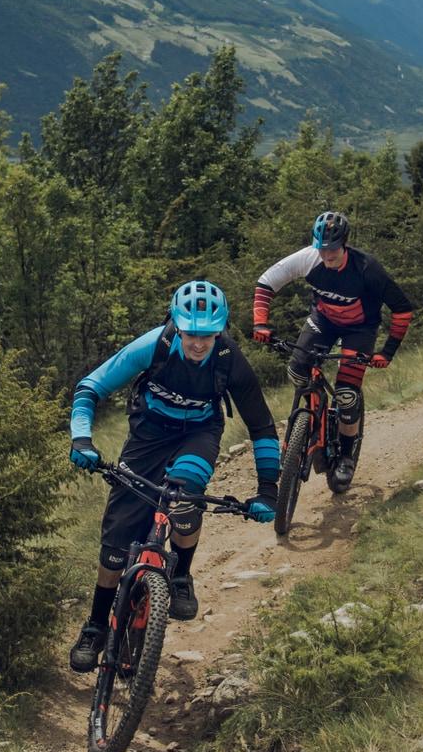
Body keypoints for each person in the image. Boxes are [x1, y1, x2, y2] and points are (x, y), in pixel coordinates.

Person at [66, 280, 279, 674]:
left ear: (221, 331)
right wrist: (82, 439)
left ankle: (180, 576)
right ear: (177, 326)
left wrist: (268, 490)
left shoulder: (230, 359)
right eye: (191, 334)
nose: (199, 344)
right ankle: (95, 625)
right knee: (116, 540)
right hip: (147, 435)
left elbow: (262, 426)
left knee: (185, 496)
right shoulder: (155, 345)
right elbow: (89, 388)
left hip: (198, 434)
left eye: (208, 335)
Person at [251, 210, 414, 491]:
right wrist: (261, 323)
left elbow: (402, 309)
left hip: (360, 329)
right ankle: (308, 425)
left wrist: (386, 353)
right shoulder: (308, 258)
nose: (327, 255)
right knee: (298, 371)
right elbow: (267, 283)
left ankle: (346, 457)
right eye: (322, 249)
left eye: (333, 249)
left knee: (347, 394)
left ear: (345, 244)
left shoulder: (367, 269)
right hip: (323, 321)